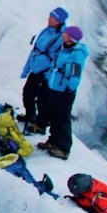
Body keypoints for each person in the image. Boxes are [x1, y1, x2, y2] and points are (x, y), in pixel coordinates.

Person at [36, 25, 89, 160]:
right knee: (54, 116)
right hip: (55, 88)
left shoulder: (76, 54)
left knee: (62, 118)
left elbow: (75, 74)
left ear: (71, 38)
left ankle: (64, 148)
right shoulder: (64, 48)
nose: (63, 33)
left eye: (66, 33)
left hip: (64, 91)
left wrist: (69, 88)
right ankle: (53, 142)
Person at [18, 7, 69, 135]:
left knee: (42, 98)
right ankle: (31, 116)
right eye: (50, 16)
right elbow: (35, 49)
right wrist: (27, 69)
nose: (49, 19)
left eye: (53, 17)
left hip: (45, 72)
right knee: (28, 93)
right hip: (37, 68)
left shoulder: (61, 38)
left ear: (59, 21)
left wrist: (49, 74)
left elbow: (58, 57)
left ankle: (40, 124)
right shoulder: (47, 31)